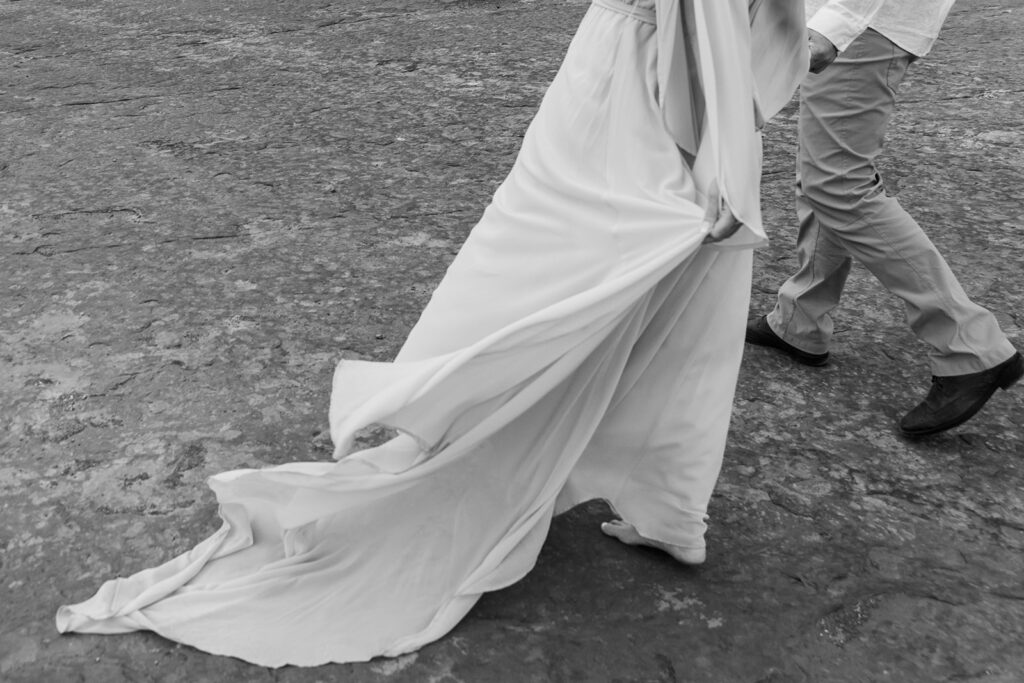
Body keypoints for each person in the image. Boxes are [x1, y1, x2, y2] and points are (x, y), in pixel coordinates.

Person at [55, 0, 806, 668]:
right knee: (679, 301)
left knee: (536, 267)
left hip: (638, 75)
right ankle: (671, 507)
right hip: (680, 73)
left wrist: (725, 162)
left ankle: (445, 418)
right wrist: (735, 137)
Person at [745, 0, 1022, 437]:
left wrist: (839, 22)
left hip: (864, 23)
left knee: (839, 183)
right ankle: (800, 321)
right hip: (852, 21)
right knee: (823, 174)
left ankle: (971, 344)